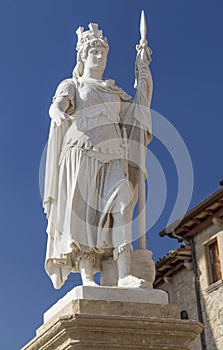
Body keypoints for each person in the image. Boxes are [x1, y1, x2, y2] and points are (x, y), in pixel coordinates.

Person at [43, 23, 152, 289]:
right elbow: (58, 104)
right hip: (81, 151)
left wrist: (144, 76)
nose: (100, 58)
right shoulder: (73, 85)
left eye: (104, 53)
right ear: (83, 56)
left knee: (124, 203)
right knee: (85, 215)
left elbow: (137, 112)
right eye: (95, 53)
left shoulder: (114, 92)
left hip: (114, 153)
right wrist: (56, 112)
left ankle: (124, 273)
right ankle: (88, 275)